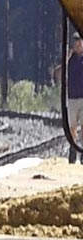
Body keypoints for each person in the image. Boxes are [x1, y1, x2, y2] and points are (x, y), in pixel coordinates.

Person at [54, 33, 83, 163]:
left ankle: (81, 152)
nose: (77, 45)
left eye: (79, 42)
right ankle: (73, 148)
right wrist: (66, 59)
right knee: (72, 126)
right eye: (75, 43)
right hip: (72, 98)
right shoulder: (70, 60)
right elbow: (58, 74)